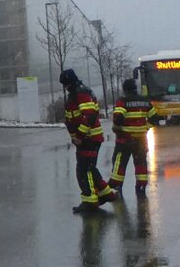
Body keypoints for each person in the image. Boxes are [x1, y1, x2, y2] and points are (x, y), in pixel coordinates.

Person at [61, 68, 119, 213]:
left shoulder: (80, 93)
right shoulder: (80, 92)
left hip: (88, 139)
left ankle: (89, 201)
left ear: (69, 82)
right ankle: (106, 194)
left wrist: (79, 136)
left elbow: (89, 116)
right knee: (90, 168)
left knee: (83, 170)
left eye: (65, 84)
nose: (65, 88)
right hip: (89, 138)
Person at [110, 78, 156, 197]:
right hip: (141, 139)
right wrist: (145, 127)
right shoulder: (144, 101)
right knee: (140, 162)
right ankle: (141, 185)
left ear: (125, 89)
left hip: (125, 139)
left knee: (119, 162)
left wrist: (117, 127)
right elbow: (155, 118)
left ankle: (116, 186)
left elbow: (118, 117)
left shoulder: (123, 101)